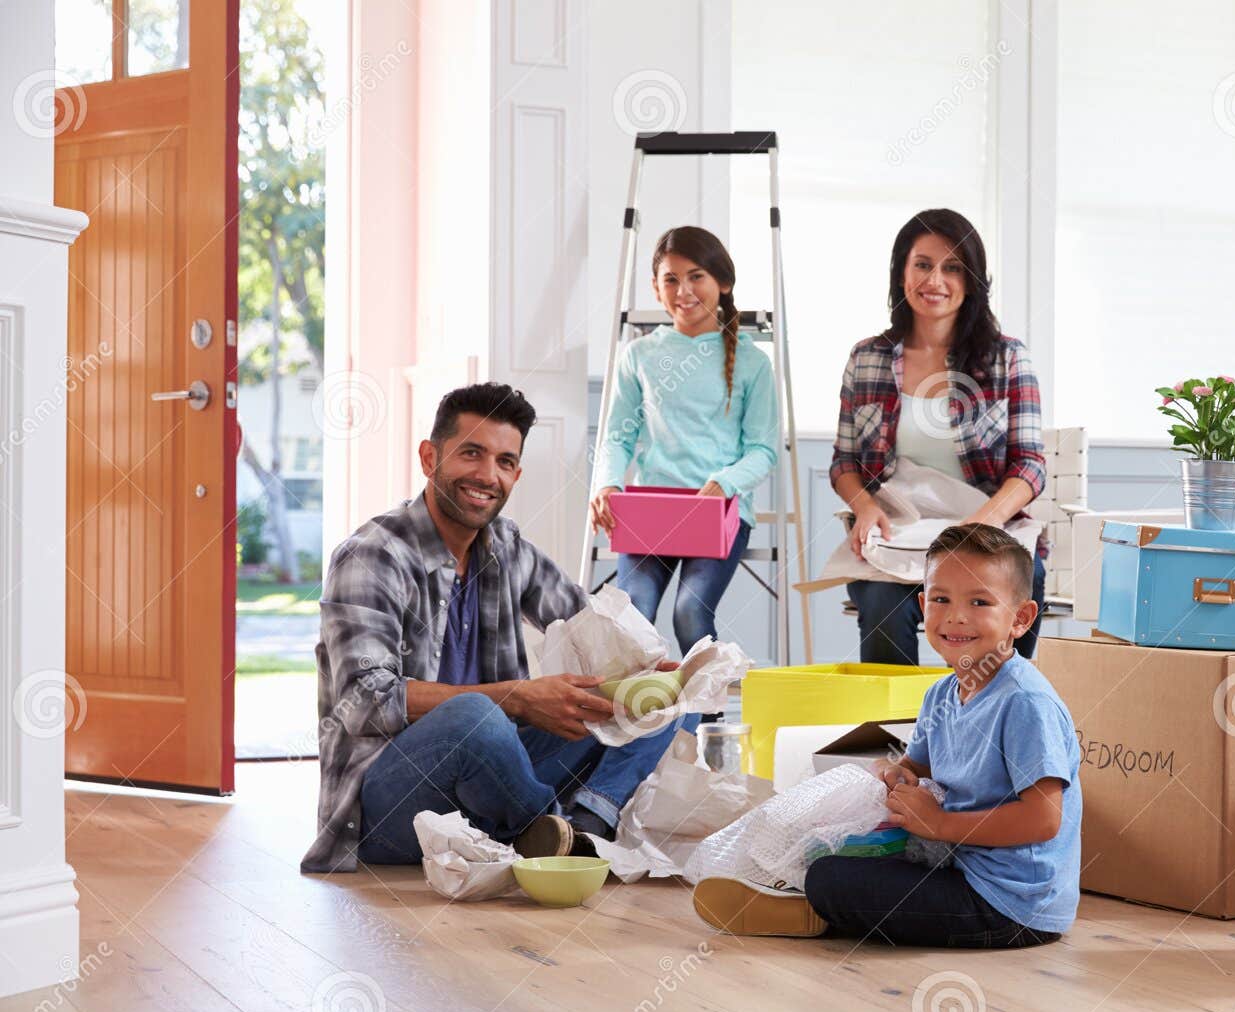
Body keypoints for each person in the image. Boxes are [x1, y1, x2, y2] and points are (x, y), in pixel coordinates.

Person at [301, 382, 686, 874]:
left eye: (505, 462)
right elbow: (365, 702)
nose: (488, 475)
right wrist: (517, 698)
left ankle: (583, 830)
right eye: (471, 454)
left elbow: (587, 622)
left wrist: (651, 674)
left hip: (489, 786)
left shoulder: (505, 546)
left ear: (516, 474)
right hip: (386, 808)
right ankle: (551, 832)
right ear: (429, 457)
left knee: (668, 704)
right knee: (475, 717)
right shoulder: (372, 556)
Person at [691, 523, 1082, 948]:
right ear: (922, 605)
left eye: (980, 602)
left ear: (1020, 619)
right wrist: (892, 773)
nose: (956, 616)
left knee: (831, 878)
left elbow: (1044, 819)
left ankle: (813, 906)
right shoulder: (942, 694)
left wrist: (940, 823)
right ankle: (802, 894)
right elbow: (917, 767)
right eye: (941, 599)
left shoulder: (1024, 702)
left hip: (1010, 905)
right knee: (830, 848)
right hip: (956, 863)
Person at [829, 208, 1050, 665]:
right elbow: (845, 463)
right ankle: (895, 731)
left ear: (972, 280)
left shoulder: (1007, 358)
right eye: (923, 264)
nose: (936, 280)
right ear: (901, 272)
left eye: (953, 267)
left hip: (986, 531)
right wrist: (865, 508)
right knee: (878, 602)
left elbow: (1029, 464)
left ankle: (996, 711)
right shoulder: (867, 357)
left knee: (1030, 579)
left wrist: (985, 521)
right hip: (897, 533)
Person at [590, 226, 779, 655]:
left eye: (696, 277)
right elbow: (618, 438)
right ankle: (641, 719)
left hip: (718, 512)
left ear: (723, 283)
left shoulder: (752, 362)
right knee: (633, 613)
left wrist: (724, 483)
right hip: (651, 512)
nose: (683, 290)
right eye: (670, 279)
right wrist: (606, 484)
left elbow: (763, 451)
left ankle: (707, 719)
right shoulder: (638, 356)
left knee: (689, 613)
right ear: (656, 289)